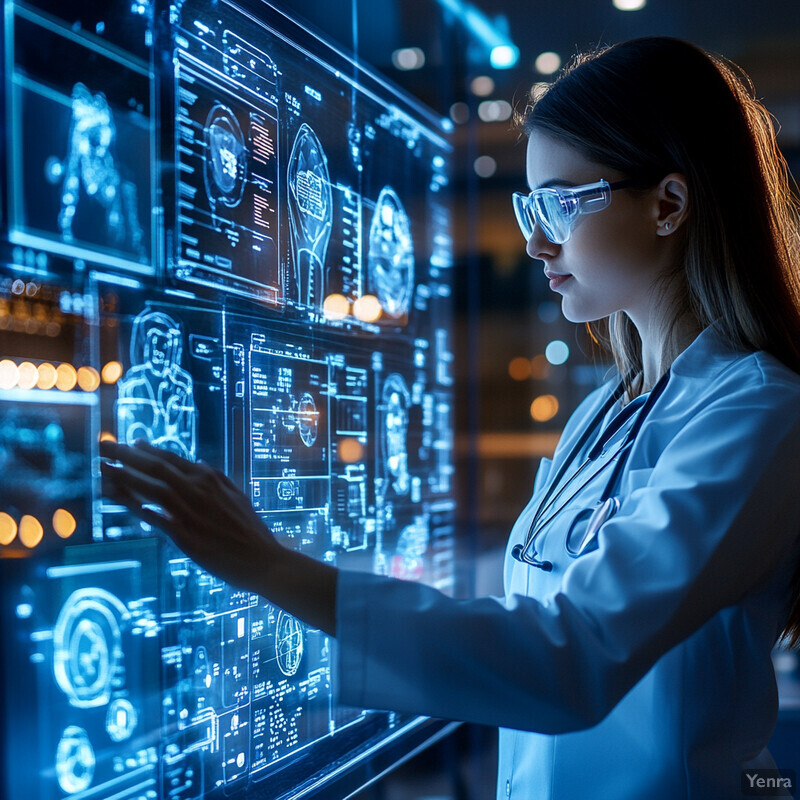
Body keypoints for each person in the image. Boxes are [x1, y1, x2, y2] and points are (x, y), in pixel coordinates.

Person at [101, 37, 800, 800]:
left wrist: (273, 567)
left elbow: (574, 658)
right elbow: (529, 622)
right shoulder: (606, 410)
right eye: (529, 207)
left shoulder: (758, 413)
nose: (536, 241)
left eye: (562, 203)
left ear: (669, 203)